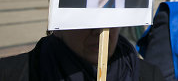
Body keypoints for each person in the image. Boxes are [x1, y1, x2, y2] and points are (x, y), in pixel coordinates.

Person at [0, 28, 164, 80]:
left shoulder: (150, 75)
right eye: (86, 18)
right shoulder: (10, 74)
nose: (98, 30)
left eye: (109, 13)